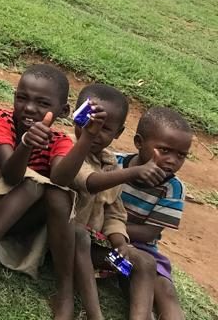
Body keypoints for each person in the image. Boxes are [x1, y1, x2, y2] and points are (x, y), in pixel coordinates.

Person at [0, 64, 76, 320]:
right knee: (32, 183)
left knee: (58, 194)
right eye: (22, 98)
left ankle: (65, 293)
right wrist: (26, 144)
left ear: (63, 111)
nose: (29, 108)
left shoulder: (60, 140)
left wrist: (87, 140)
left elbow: (61, 179)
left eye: (42, 103)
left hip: (13, 218)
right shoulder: (1, 119)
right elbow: (11, 174)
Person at [51, 84, 156, 320]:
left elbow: (115, 215)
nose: (94, 132)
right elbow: (90, 181)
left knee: (144, 262)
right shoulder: (65, 146)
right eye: (88, 123)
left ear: (118, 133)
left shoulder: (111, 164)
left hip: (93, 255)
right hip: (60, 245)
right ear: (76, 116)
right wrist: (134, 172)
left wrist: (120, 243)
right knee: (79, 236)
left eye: (105, 129)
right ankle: (94, 315)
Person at [114, 107, 193, 320]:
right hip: (108, 242)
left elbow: (149, 234)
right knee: (131, 275)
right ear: (139, 142)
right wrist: (109, 230)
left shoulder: (173, 188)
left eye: (181, 155)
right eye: (165, 150)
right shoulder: (113, 164)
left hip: (143, 247)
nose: (172, 160)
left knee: (166, 290)